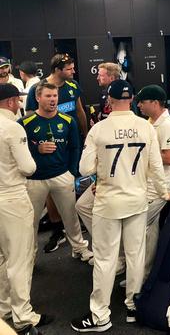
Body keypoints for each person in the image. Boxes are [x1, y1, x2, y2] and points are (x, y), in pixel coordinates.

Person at [70, 80, 170, 332]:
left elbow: (84, 169)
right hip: (137, 201)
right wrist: (164, 192)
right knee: (135, 254)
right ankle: (133, 305)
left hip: (109, 203)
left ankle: (100, 315)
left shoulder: (100, 129)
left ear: (109, 99)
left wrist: (100, 161)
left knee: (106, 259)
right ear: (131, 100)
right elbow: (156, 167)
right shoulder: (145, 127)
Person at [18, 81, 93, 263]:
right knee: (30, 222)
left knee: (70, 215)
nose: (52, 100)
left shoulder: (68, 121)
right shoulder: (25, 123)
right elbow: (18, 152)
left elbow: (75, 147)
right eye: (48, 96)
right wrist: (37, 150)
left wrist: (72, 171)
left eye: (55, 96)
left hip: (62, 176)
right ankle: (30, 257)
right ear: (37, 98)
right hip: (34, 179)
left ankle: (79, 248)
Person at [0, 84, 52, 335]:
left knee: (1, 258)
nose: (20, 104)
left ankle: (4, 309)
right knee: (19, 259)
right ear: (10, 101)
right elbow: (28, 167)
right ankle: (23, 316)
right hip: (11, 197)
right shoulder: (12, 127)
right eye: (17, 100)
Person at [135, 85, 170, 277]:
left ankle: (143, 276)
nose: (138, 105)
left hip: (161, 186)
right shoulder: (150, 122)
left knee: (140, 227)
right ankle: (144, 274)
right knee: (149, 230)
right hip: (149, 183)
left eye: (142, 102)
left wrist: (143, 152)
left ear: (155, 103)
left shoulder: (168, 125)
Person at [25, 53, 88, 137]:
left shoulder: (73, 85)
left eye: (73, 68)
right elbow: (30, 118)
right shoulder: (36, 88)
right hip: (49, 138)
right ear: (57, 70)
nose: (73, 71)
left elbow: (79, 111)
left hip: (73, 137)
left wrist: (86, 135)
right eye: (69, 69)